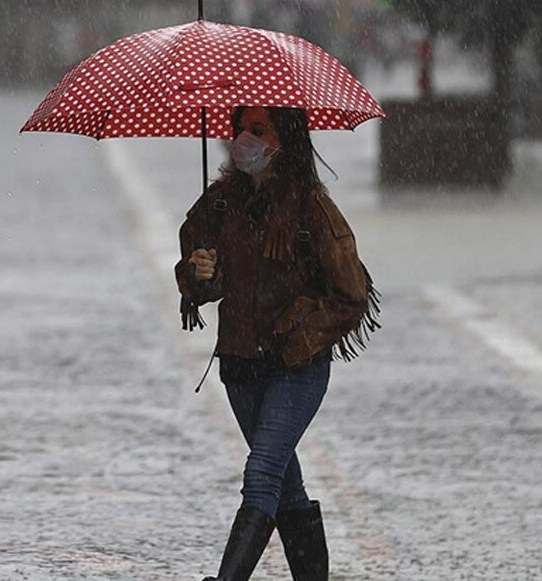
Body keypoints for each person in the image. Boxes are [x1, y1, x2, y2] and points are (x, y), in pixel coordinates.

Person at [176, 106, 380, 581]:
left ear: (283, 140)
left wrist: (299, 334)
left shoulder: (312, 207)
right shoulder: (220, 204)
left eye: (257, 130)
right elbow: (199, 276)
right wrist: (197, 273)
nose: (243, 139)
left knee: (262, 472)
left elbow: (352, 293)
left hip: (296, 370)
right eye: (239, 128)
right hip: (240, 369)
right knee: (285, 487)